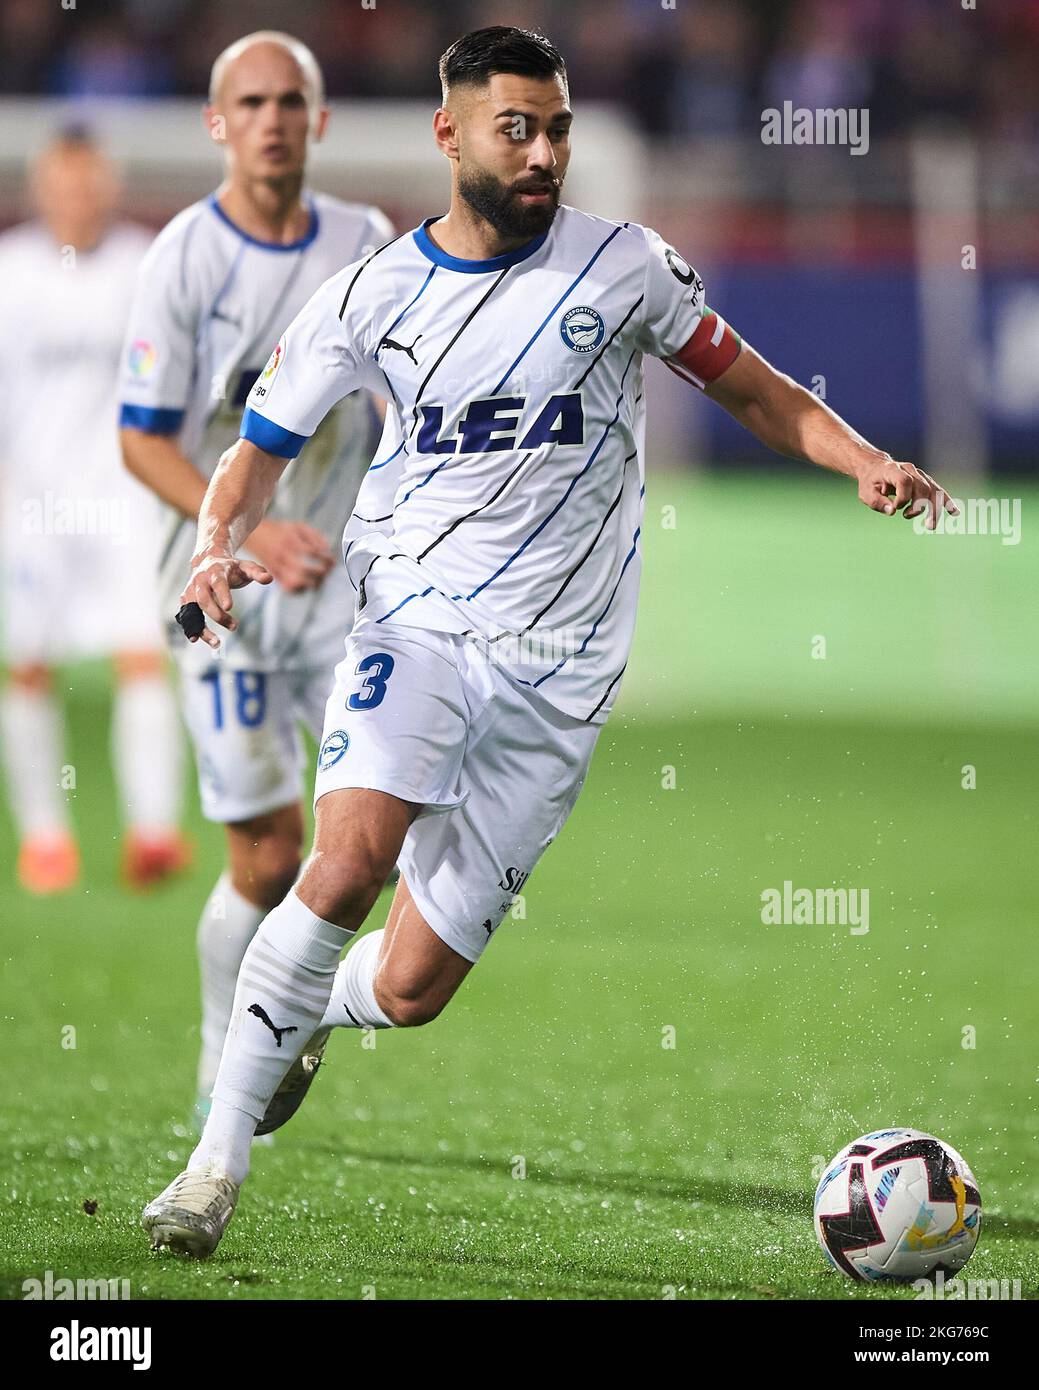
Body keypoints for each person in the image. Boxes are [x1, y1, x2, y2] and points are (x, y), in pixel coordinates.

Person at [141, 25, 956, 1257]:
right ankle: (213, 1166)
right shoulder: (373, 295)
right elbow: (254, 452)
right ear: (450, 133)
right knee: (349, 852)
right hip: (414, 618)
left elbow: (750, 384)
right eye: (515, 127)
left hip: (559, 678)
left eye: (558, 126)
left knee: (409, 991)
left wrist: (863, 460)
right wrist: (216, 546)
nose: (543, 151)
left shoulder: (625, 268)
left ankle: (312, 1007)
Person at [118, 31, 393, 1130]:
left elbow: (396, 402)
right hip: (217, 600)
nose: (274, 118)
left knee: (376, 844)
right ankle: (218, 1054)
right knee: (271, 852)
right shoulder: (183, 257)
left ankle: (307, 1010)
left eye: (293, 101)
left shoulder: (366, 242)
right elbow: (140, 440)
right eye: (253, 101)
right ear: (218, 122)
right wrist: (247, 529)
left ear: (319, 121)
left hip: (339, 600)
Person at [0, 129, 186, 893]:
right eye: (63, 184)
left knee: (143, 656)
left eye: (89, 184)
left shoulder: (145, 266)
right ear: (41, 191)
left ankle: (153, 834)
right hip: (31, 498)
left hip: (124, 496)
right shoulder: (10, 272)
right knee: (29, 666)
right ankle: (46, 839)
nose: (78, 198)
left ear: (109, 188)